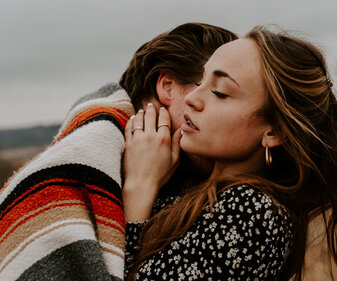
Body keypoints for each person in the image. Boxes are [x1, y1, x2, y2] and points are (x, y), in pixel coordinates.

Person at [0, 23, 237, 281]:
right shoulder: (80, 164)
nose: (227, 118)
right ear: (167, 86)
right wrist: (141, 185)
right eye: (217, 93)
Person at [123, 26, 337, 280]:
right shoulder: (194, 185)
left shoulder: (255, 214)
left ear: (275, 132)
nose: (192, 98)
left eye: (219, 92)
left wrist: (140, 185)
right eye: (201, 80)